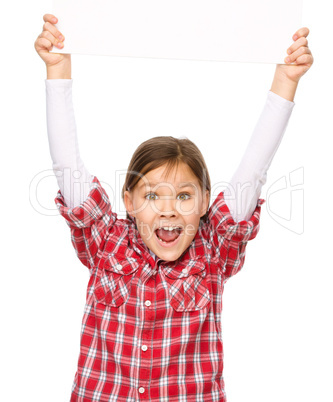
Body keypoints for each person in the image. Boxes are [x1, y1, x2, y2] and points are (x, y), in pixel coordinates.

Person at [35, 13, 314, 402]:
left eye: (183, 195)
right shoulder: (107, 244)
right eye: (152, 196)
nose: (168, 210)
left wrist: (285, 81)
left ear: (204, 203)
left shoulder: (212, 251)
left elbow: (254, 170)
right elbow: (67, 165)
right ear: (128, 202)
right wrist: (57, 69)